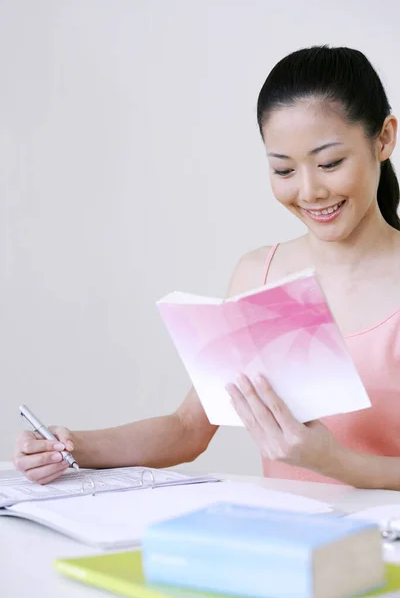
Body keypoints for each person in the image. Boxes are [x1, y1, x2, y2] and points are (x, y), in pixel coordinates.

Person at [13, 45, 400, 490]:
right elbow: (188, 430)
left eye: (330, 163)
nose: (310, 191)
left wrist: (334, 462)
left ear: (384, 138)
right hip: (284, 545)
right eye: (284, 170)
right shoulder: (260, 275)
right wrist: (68, 446)